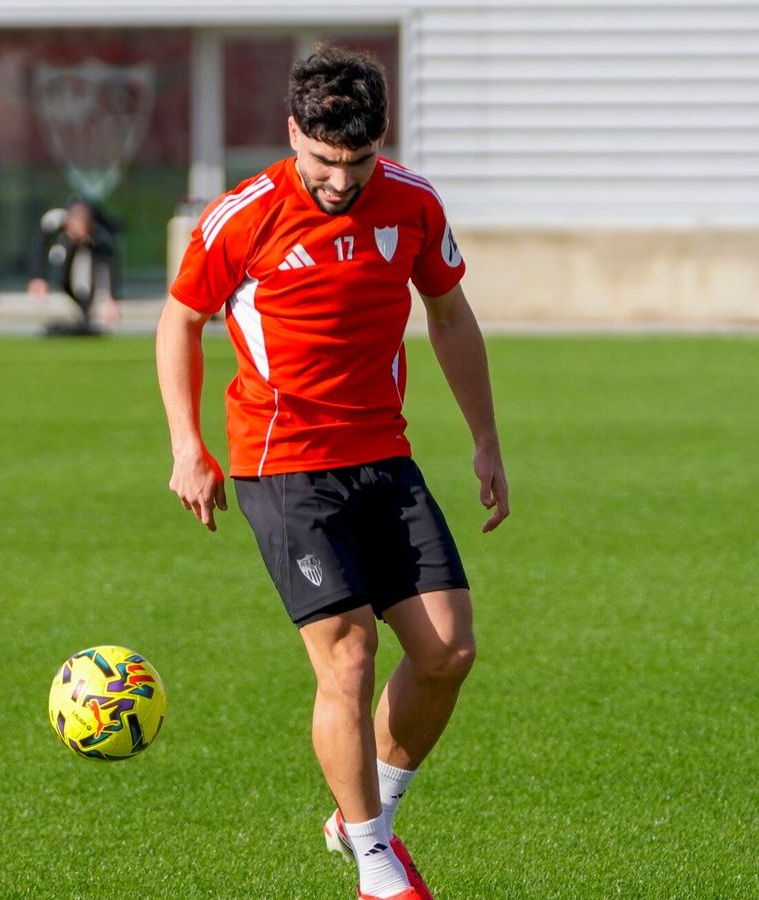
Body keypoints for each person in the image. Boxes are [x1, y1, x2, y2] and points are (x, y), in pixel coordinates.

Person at [156, 45, 509, 900]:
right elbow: (180, 320)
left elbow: (450, 315)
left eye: (358, 162)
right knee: (348, 657)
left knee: (449, 650)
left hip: (384, 457)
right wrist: (186, 446)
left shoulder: (414, 202)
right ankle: (373, 861)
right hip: (284, 465)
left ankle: (362, 814)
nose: (341, 182)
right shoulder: (241, 216)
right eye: (323, 161)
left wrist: (485, 441)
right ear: (292, 134)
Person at [27, 197, 123, 332]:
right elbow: (39, 246)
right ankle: (81, 311)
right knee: (63, 277)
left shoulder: (101, 232)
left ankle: (87, 312)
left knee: (87, 279)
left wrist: (112, 297)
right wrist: (38, 276)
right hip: (68, 246)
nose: (75, 235)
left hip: (93, 246)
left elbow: (109, 263)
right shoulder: (55, 219)